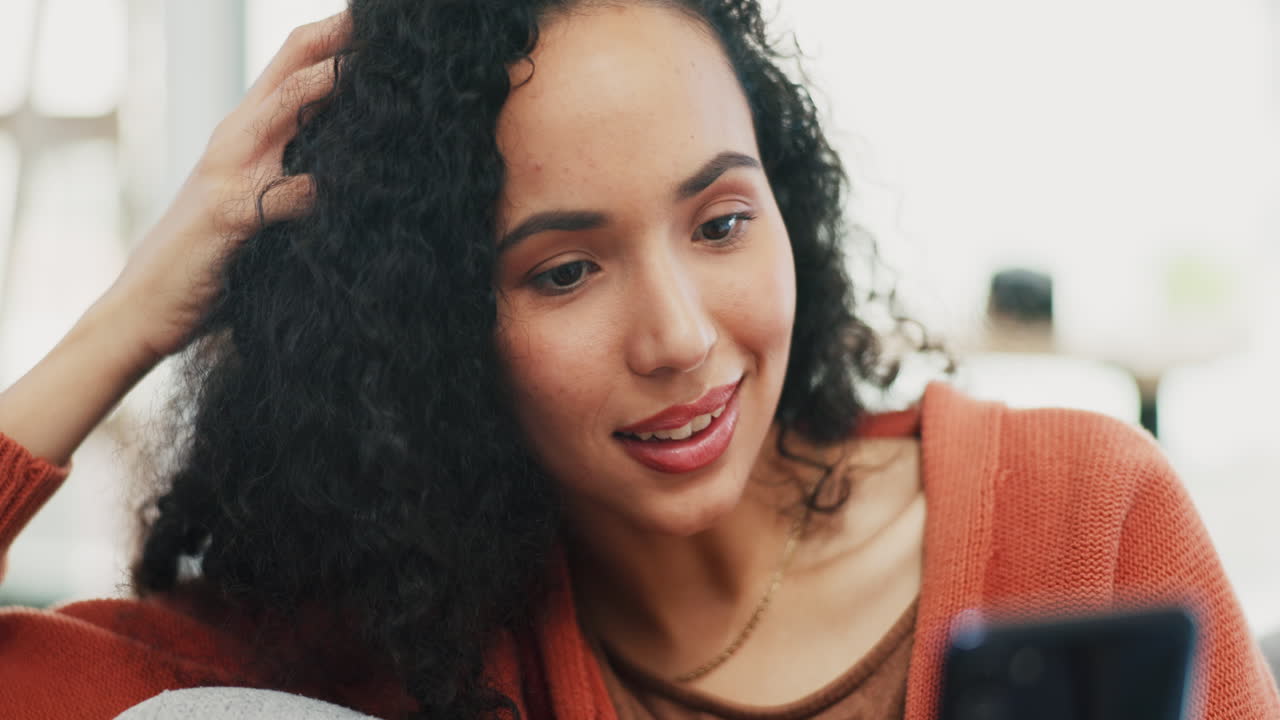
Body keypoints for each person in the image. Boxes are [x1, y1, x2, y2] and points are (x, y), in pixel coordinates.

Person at [0, 1, 1275, 719]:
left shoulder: (1084, 516)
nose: (678, 338)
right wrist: (132, 314)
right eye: (563, 271)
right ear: (428, 329)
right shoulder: (409, 654)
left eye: (719, 223)